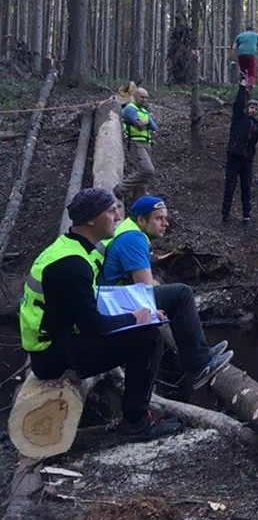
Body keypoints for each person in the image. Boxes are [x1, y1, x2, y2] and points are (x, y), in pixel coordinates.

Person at [18, 187, 182, 442]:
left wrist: (141, 314)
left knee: (144, 328)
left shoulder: (74, 247)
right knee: (149, 339)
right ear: (91, 219)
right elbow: (94, 326)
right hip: (51, 356)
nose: (118, 217)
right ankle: (136, 424)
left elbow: (88, 306)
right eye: (111, 211)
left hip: (56, 341)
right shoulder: (71, 265)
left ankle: (134, 414)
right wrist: (135, 318)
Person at [100, 195, 234, 391]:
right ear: (141, 220)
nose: (166, 223)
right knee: (181, 294)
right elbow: (145, 290)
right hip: (110, 306)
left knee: (175, 294)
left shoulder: (128, 230)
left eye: (165, 218)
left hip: (110, 298)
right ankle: (200, 365)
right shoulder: (133, 239)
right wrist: (156, 309)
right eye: (159, 218)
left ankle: (201, 353)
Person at [221, 77, 258, 231]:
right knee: (230, 187)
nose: (254, 110)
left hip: (247, 161)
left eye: (256, 109)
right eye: (251, 107)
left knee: (246, 189)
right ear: (246, 108)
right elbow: (237, 103)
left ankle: (246, 218)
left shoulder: (257, 126)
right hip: (234, 158)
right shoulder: (238, 118)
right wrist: (242, 87)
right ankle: (225, 217)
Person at [116, 86, 158, 204]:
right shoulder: (129, 109)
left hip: (146, 144)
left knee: (144, 179)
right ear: (135, 96)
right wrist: (146, 123)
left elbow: (155, 127)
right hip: (135, 143)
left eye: (146, 98)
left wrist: (147, 122)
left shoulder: (144, 111)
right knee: (148, 170)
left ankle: (138, 204)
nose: (144, 100)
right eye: (142, 97)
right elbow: (139, 125)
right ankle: (121, 188)